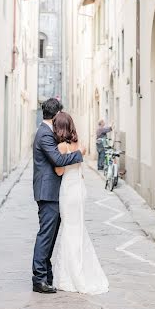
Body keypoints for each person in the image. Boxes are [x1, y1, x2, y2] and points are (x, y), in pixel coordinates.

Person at [32, 97, 85, 294]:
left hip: (53, 193)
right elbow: (57, 160)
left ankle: (46, 274)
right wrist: (79, 154)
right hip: (48, 193)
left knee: (50, 236)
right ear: (55, 116)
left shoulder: (46, 132)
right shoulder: (45, 134)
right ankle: (39, 278)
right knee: (46, 236)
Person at [53, 111, 109, 295]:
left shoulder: (61, 147)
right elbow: (80, 165)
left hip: (68, 191)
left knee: (69, 229)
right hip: (80, 189)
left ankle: (70, 274)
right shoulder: (80, 145)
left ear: (59, 128)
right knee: (78, 229)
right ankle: (81, 269)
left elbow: (60, 171)